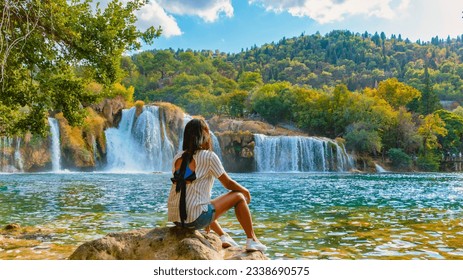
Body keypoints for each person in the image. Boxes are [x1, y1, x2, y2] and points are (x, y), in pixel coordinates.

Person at [167, 118, 266, 252]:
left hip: (176, 218)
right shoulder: (208, 157)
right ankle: (252, 239)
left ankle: (223, 236)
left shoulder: (177, 157)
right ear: (203, 135)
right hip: (194, 219)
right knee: (238, 196)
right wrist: (245, 191)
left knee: (204, 204)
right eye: (207, 131)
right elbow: (228, 183)